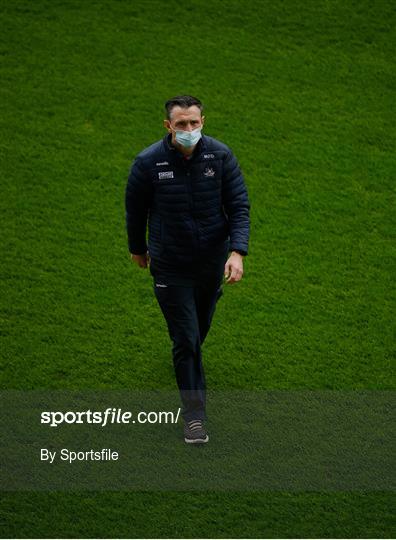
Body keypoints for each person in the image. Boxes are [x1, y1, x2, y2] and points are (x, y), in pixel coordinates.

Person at [125, 95, 250, 444]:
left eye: (194, 123)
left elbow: (239, 205)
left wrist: (237, 252)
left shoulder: (220, 156)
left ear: (203, 121)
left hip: (211, 262)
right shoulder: (148, 163)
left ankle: (187, 359)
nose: (189, 129)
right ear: (168, 126)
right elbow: (135, 210)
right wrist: (138, 248)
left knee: (199, 328)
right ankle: (194, 418)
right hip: (171, 265)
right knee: (186, 340)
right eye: (182, 124)